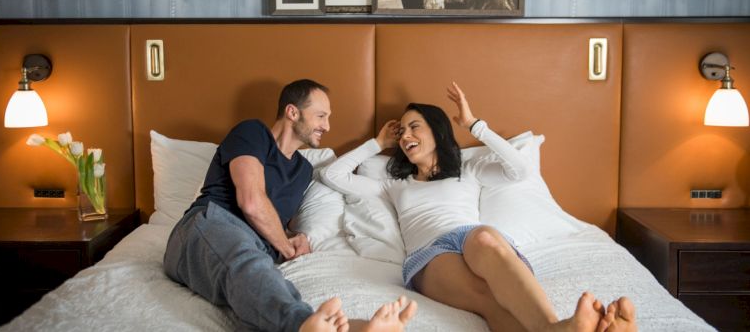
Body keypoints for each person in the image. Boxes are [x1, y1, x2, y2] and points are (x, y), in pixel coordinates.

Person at [321, 82, 637, 332]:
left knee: (486, 237)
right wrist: (377, 144)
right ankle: (560, 330)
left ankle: (557, 328)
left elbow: (522, 170)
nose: (405, 136)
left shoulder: (469, 170)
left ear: (436, 130)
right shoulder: (394, 183)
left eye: (414, 126)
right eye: (401, 131)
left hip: (474, 239)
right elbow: (331, 174)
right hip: (430, 254)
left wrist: (474, 125)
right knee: (488, 300)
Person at [163, 79, 417, 332]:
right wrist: (285, 246)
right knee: (246, 260)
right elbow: (251, 202)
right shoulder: (252, 132)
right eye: (320, 116)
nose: (327, 126)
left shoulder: (302, 169)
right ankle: (303, 325)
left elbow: (273, 219)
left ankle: (348, 328)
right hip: (208, 225)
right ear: (292, 112)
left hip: (255, 245)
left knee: (260, 277)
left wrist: (293, 238)